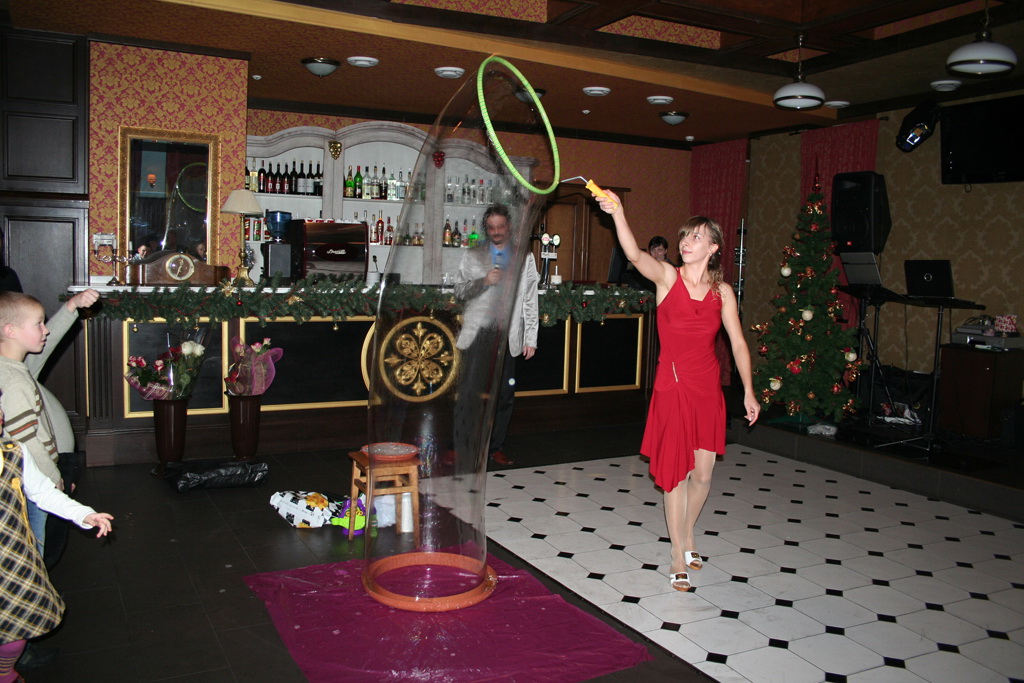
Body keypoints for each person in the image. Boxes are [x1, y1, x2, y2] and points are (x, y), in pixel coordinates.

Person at [594, 190, 759, 592]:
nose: (686, 242)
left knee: (703, 474)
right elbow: (633, 254)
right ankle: (676, 552)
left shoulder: (723, 293)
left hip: (707, 387)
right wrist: (618, 213)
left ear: (713, 247)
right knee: (676, 474)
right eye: (685, 236)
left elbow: (738, 344)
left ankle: (687, 534)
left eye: (696, 237)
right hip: (673, 384)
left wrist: (748, 391)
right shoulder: (668, 278)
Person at [0, 396, 113, 683]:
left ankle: (5, 672)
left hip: (12, 558)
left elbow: (44, 493)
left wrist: (84, 514)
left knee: (17, 632)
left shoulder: (15, 453)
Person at [0, 290, 99, 568]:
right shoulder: (11, 377)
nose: (44, 330)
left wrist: (71, 307)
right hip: (39, 473)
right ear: (11, 331)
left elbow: (48, 341)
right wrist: (54, 476)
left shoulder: (15, 364)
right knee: (38, 549)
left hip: (49, 466)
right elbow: (26, 439)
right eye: (38, 324)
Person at [453, 203, 539, 466]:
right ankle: (462, 446)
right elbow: (459, 291)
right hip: (478, 334)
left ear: (509, 226)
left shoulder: (524, 257)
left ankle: (496, 447)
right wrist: (483, 282)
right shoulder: (473, 255)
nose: (497, 231)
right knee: (469, 394)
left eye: (501, 226)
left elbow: (530, 299)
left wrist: (530, 338)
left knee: (504, 395)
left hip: (507, 334)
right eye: (491, 227)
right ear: (486, 229)